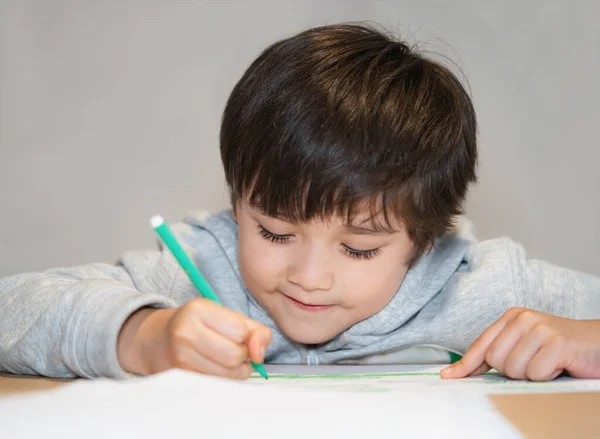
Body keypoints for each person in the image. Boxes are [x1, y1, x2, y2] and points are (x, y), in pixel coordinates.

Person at [1, 23, 599, 382]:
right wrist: (144, 335)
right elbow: (11, 310)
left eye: (359, 248)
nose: (308, 278)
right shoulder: (203, 269)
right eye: (275, 234)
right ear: (238, 203)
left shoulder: (482, 288)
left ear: (424, 238)